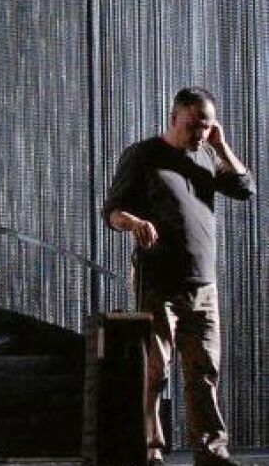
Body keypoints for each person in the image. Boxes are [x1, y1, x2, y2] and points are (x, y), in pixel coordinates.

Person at [102, 87, 254, 466]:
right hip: (159, 281)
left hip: (203, 284)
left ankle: (211, 451)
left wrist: (221, 145)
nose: (199, 133)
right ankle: (151, 448)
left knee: (204, 370)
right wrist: (134, 222)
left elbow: (244, 188)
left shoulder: (206, 155)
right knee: (155, 369)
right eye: (193, 126)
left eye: (206, 126)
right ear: (174, 117)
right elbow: (112, 211)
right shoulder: (143, 155)